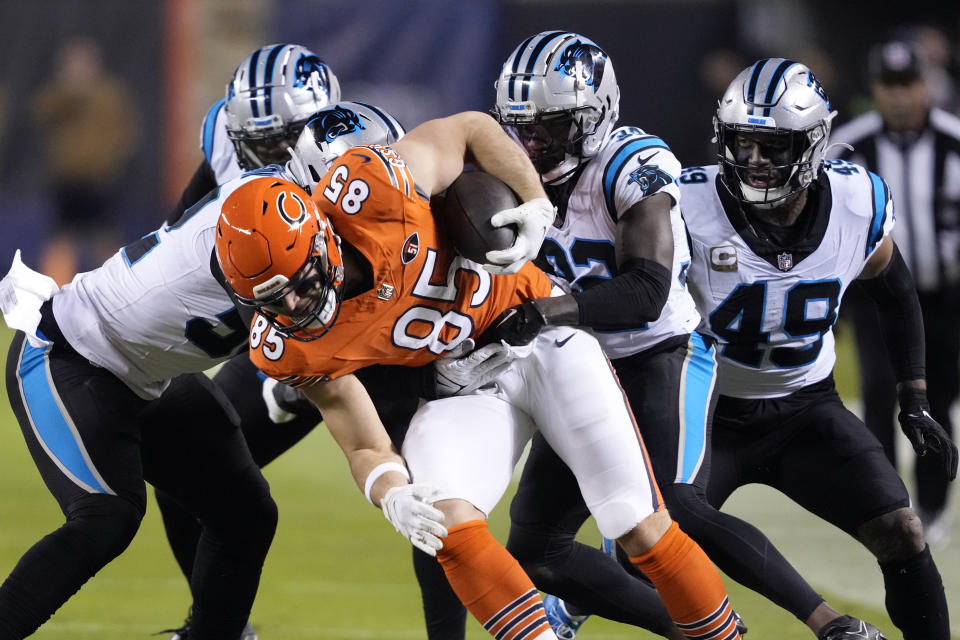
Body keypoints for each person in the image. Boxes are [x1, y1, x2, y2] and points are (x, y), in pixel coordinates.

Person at [214, 110, 744, 640]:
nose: (294, 305)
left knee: (635, 523)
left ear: (321, 237)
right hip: (467, 383)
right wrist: (391, 491)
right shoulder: (288, 345)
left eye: (301, 283)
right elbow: (363, 446)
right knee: (447, 524)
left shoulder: (372, 187)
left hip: (543, 343)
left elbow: (470, 127)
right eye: (270, 300)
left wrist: (533, 200)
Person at [462, 31, 884, 640]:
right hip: (582, 364)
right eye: (521, 125)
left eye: (551, 125)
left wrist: (543, 313)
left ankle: (832, 623)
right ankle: (701, 630)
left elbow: (646, 291)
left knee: (670, 509)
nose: (532, 141)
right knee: (538, 551)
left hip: (661, 354)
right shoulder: (502, 169)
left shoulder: (630, 163)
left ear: (595, 114)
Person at [678, 58, 957, 640]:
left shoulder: (856, 203)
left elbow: (896, 291)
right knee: (653, 549)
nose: (753, 161)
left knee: (902, 530)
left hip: (806, 407)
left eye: (772, 147)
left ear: (812, 143)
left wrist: (914, 396)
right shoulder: (685, 205)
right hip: (705, 412)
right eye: (741, 143)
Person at [0, 165, 286, 637]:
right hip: (70, 354)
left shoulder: (279, 211)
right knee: (106, 517)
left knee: (245, 511)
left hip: (150, 370)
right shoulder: (258, 231)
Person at [154, 44, 342, 637]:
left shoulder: (357, 156)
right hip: (275, 332)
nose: (265, 157)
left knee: (435, 498)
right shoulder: (223, 131)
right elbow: (188, 214)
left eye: (279, 143)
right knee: (189, 474)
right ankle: (221, 628)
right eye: (253, 143)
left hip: (367, 342)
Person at [830, 39, 960, 546]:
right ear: (876, 90)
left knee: (938, 397)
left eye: (909, 85)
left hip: (941, 298)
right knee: (882, 395)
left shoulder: (954, 141)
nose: (901, 97)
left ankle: (931, 504)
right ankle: (886, 503)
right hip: (874, 297)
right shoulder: (850, 145)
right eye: (891, 86)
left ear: (926, 86)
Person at [32, 36, 138, 286]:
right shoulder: (60, 94)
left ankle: (117, 288)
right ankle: (52, 292)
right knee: (61, 238)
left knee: (105, 238)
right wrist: (69, 90)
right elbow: (42, 112)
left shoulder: (109, 93)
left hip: (99, 178)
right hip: (67, 178)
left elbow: (124, 130)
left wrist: (110, 159)